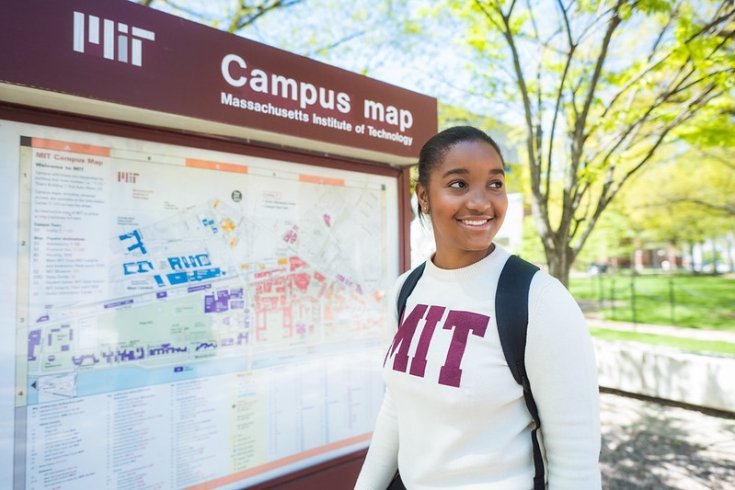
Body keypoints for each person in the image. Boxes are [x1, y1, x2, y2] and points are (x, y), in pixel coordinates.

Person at [354, 126, 601, 489]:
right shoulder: (405, 290)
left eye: (495, 184)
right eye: (458, 184)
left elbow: (575, 463)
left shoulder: (539, 300)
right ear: (423, 196)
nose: (482, 202)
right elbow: (398, 404)